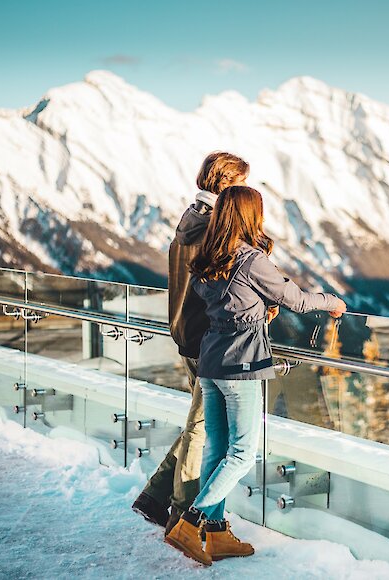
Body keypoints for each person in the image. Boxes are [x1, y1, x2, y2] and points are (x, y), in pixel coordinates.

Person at [164, 185, 346, 565]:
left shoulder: (209, 256)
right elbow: (294, 298)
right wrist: (332, 303)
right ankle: (192, 520)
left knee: (217, 448)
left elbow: (224, 300)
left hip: (211, 363)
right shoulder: (249, 259)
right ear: (250, 217)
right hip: (241, 365)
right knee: (244, 453)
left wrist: (255, 309)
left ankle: (215, 535)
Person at [131, 152, 255, 533]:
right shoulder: (213, 233)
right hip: (211, 341)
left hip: (186, 335)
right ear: (227, 185)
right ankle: (184, 513)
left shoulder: (188, 222)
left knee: (198, 424)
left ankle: (153, 498)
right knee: (203, 430)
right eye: (241, 184)